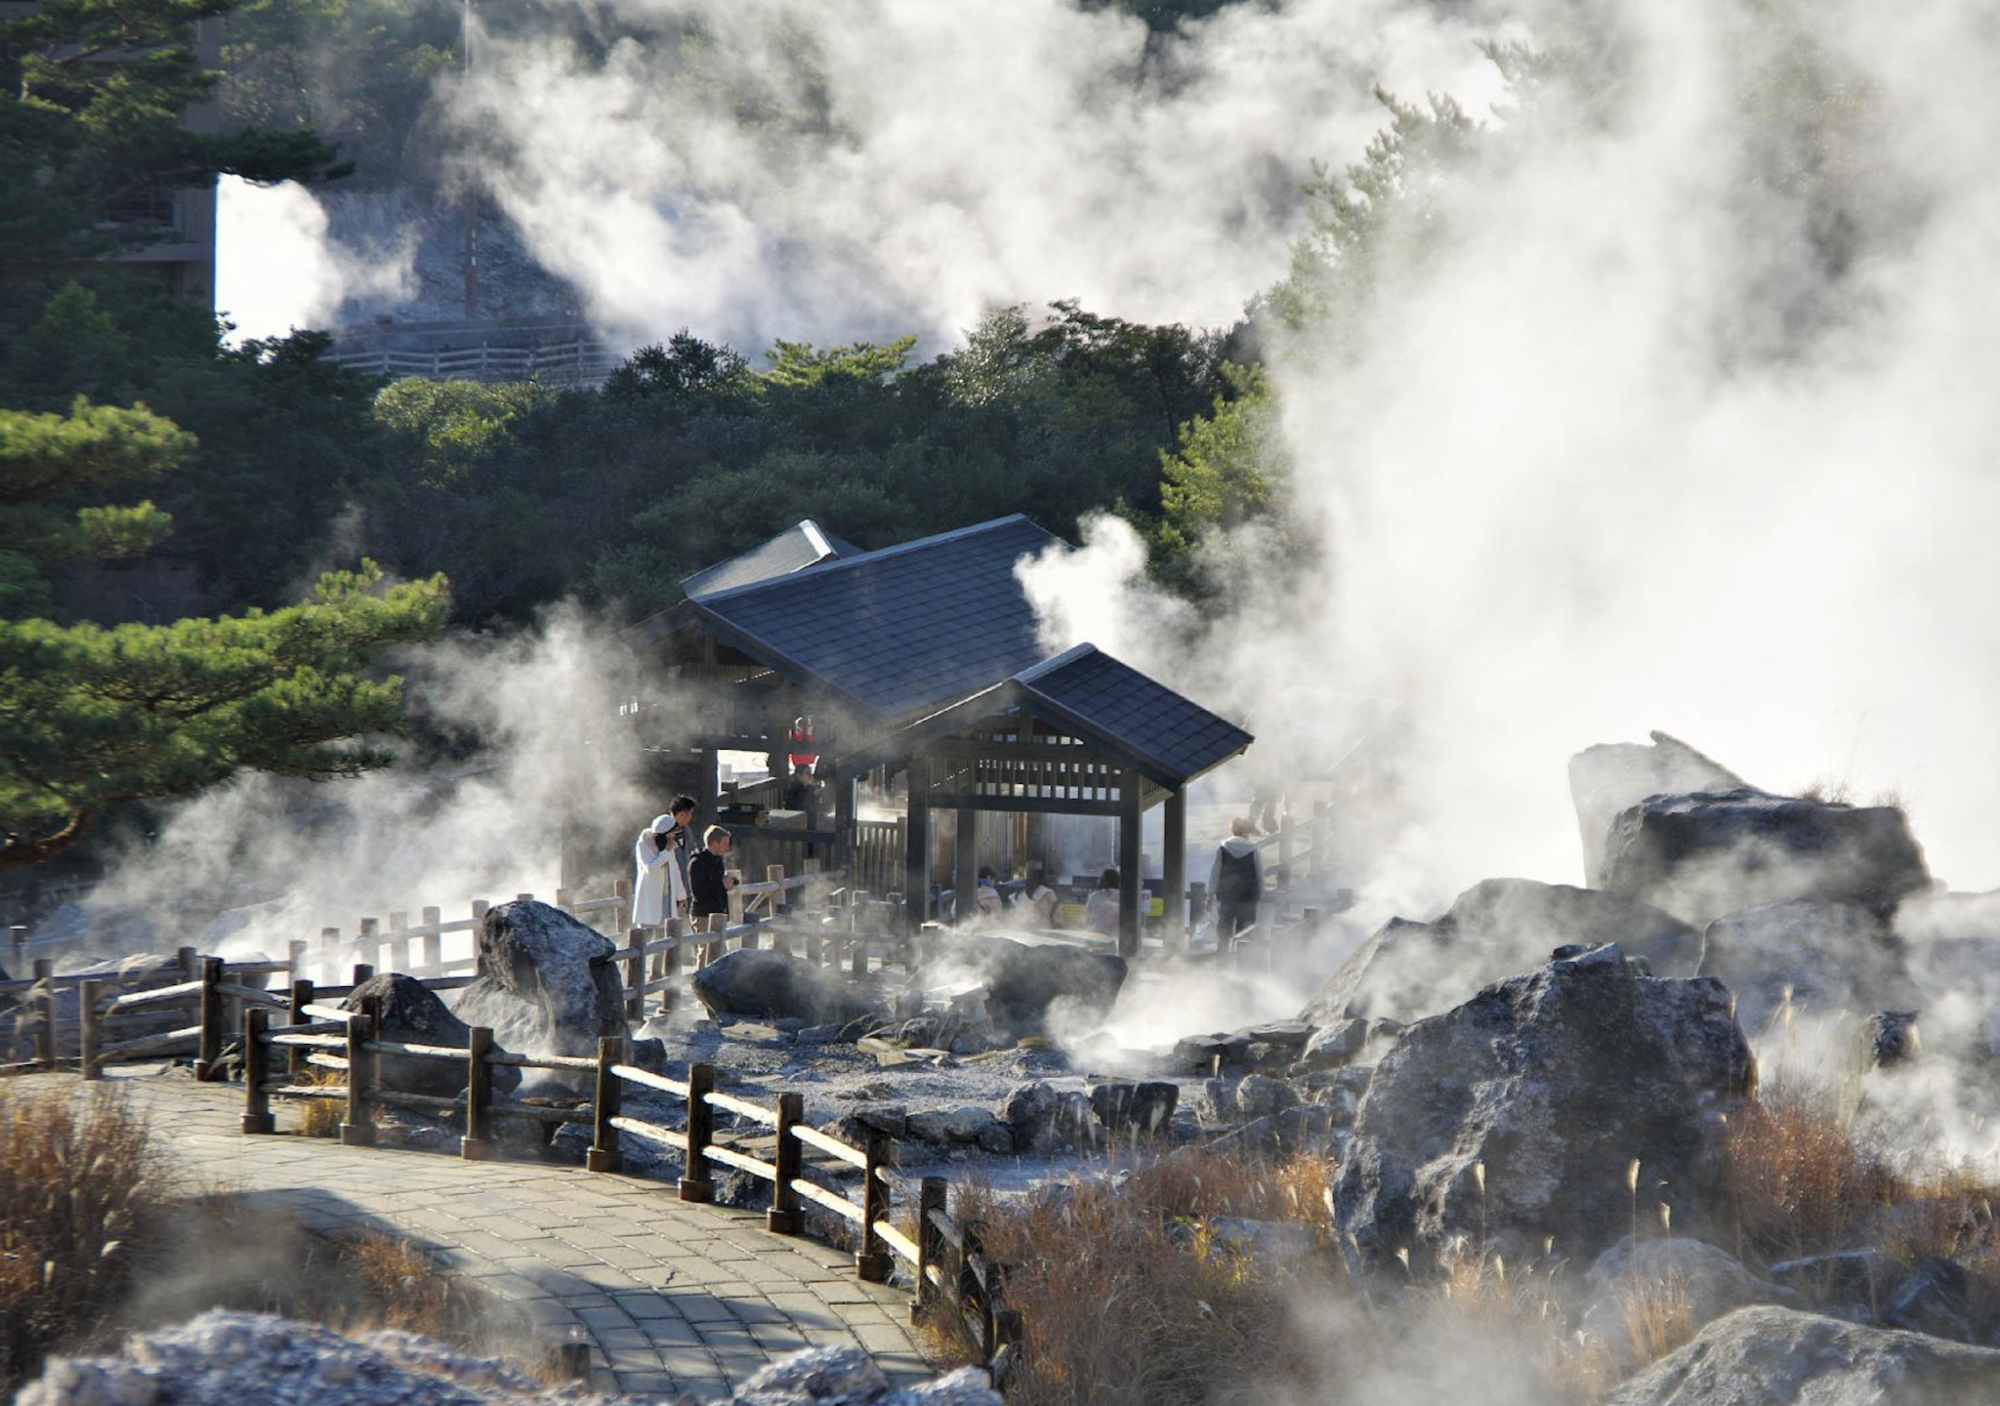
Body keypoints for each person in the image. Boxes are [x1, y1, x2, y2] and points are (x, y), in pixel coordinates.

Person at [1209, 817, 1263, 943]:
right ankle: (1242, 960)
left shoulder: (1223, 848)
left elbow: (1215, 874)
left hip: (1226, 896)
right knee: (1245, 932)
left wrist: (1209, 895)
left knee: (1224, 931)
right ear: (1245, 832)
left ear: (1232, 830)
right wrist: (1260, 894)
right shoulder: (1253, 849)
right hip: (1248, 897)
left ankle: (1223, 958)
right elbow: (1260, 875)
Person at [632, 813, 688, 931]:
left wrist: (681, 895)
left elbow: (675, 870)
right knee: (647, 936)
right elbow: (650, 868)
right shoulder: (644, 845)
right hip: (650, 898)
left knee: (666, 935)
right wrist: (667, 851)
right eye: (672, 833)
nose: (674, 836)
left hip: (668, 897)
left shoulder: (668, 846)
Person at [688, 824, 740, 931]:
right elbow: (698, 892)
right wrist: (722, 885)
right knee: (706, 947)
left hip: (718, 914)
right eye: (725, 844)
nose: (727, 848)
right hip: (703, 916)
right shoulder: (697, 863)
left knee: (720, 947)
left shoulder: (717, 860)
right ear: (714, 843)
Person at [1082, 868, 1121, 938]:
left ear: (1102, 881)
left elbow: (1086, 918)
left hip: (1097, 936)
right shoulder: (1124, 898)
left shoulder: (1094, 896)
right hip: (1118, 937)